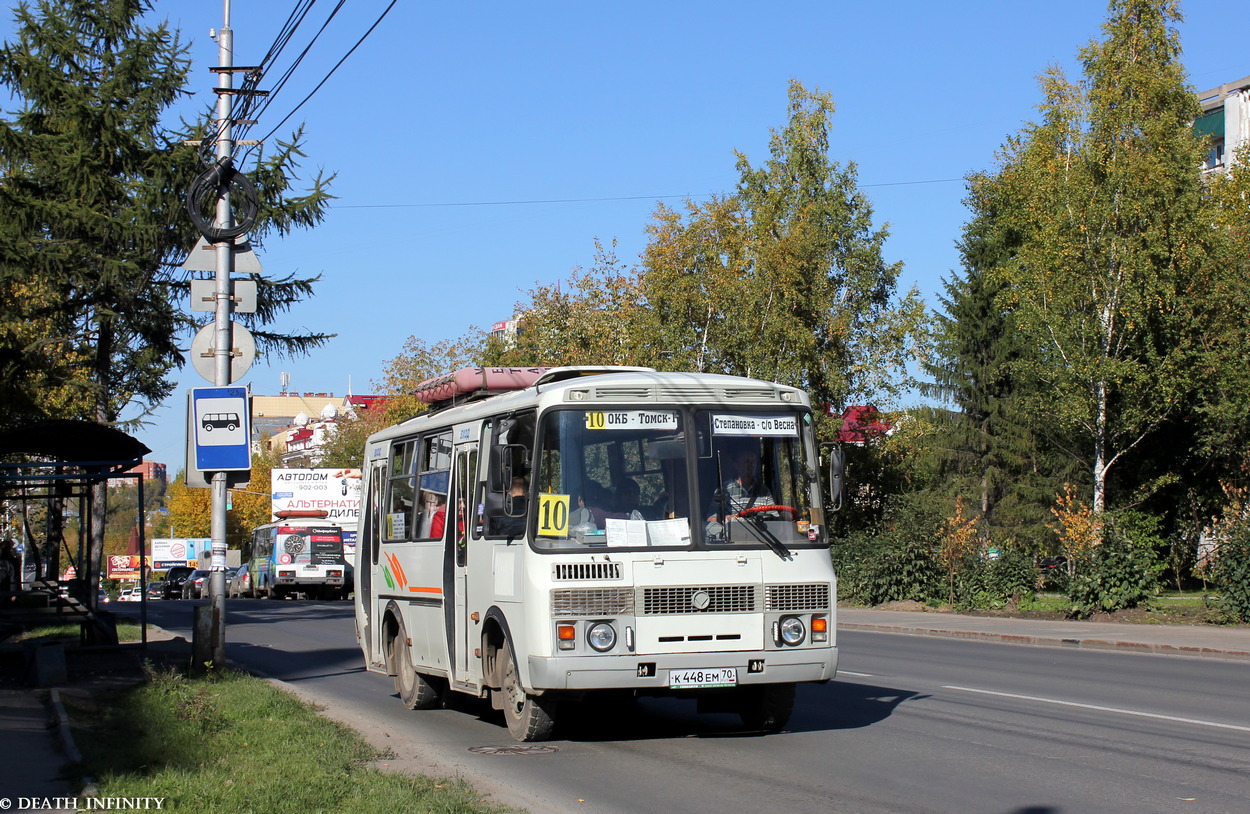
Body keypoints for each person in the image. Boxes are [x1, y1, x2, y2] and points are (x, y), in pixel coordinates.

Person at [707, 446, 774, 521]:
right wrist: (728, 519)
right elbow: (710, 519)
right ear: (736, 465)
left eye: (753, 462)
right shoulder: (723, 490)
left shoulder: (763, 491)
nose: (750, 466)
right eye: (746, 462)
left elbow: (775, 519)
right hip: (731, 532)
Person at [0, 539, 20, 609]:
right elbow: (14, 579)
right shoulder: (11, 562)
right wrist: (14, 593)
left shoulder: (9, 562)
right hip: (6, 593)